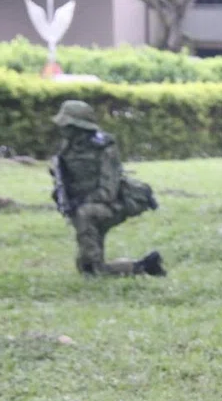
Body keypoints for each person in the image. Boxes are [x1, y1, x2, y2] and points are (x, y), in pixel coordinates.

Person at [51, 100, 166, 277]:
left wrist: (81, 201)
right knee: (86, 267)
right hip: (85, 206)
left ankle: (122, 268)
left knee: (91, 262)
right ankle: (145, 266)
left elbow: (108, 191)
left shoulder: (104, 148)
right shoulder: (68, 147)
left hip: (113, 204)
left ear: (79, 127)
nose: (63, 129)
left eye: (68, 125)